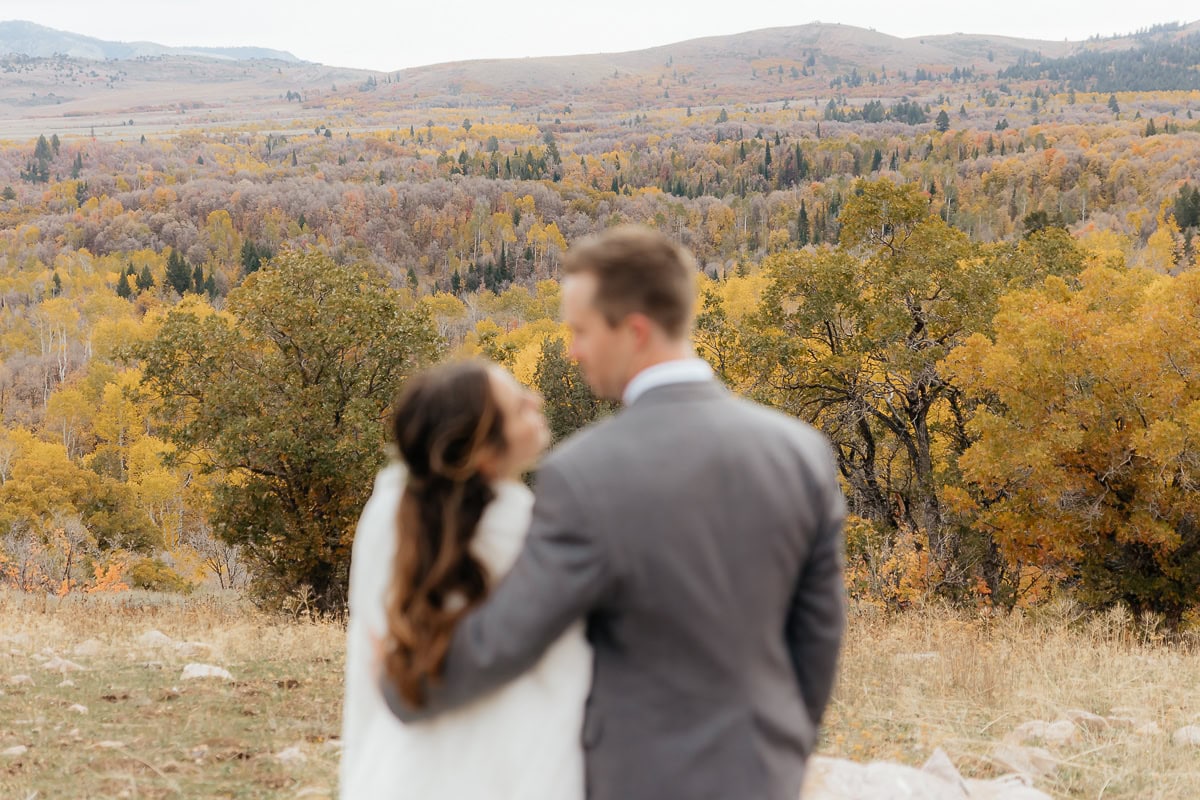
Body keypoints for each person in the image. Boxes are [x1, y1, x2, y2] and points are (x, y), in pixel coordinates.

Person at [384, 225, 847, 800]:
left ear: (635, 331)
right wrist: (788, 746)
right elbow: (819, 634)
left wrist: (404, 688)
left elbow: (508, 638)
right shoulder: (802, 451)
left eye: (581, 331)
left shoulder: (584, 474)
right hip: (766, 773)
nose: (572, 350)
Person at [339, 360, 590, 800]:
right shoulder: (524, 528)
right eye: (519, 407)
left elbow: (372, 655)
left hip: (408, 764)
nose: (537, 400)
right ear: (484, 453)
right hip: (513, 761)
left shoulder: (391, 512)